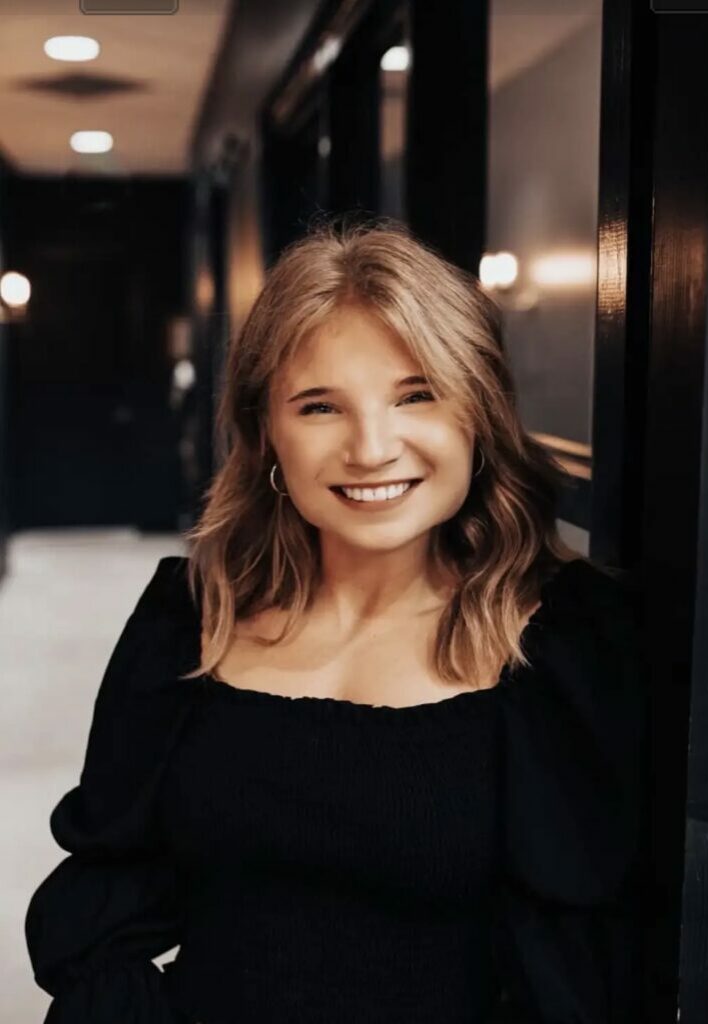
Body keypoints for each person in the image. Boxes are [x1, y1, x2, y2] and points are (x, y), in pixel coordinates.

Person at [25, 221, 648, 1023]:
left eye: (416, 394)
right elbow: (103, 903)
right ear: (266, 436)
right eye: (320, 406)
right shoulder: (190, 617)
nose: (371, 447)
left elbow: (582, 969)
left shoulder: (562, 644)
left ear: (478, 413)